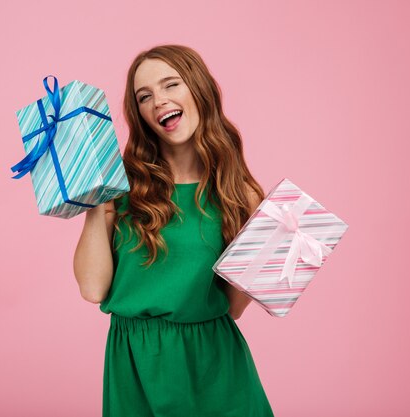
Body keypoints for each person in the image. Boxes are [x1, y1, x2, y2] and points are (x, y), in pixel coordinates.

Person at [73, 44, 275, 417]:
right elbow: (92, 288)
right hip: (136, 364)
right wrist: (94, 202)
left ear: (199, 90)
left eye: (171, 85)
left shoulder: (239, 192)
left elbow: (232, 308)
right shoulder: (120, 185)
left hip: (215, 365)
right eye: (144, 96)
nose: (158, 101)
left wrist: (265, 256)